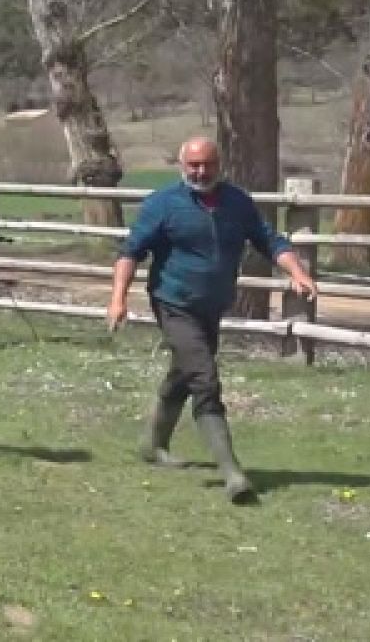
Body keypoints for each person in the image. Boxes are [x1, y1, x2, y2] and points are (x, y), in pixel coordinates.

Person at [106, 135, 318, 503]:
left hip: (212, 305)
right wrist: (117, 299)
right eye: (194, 165)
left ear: (220, 165)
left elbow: (272, 241)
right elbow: (130, 253)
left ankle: (152, 445)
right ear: (181, 165)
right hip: (173, 303)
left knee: (185, 372)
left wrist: (297, 273)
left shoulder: (237, 203)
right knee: (204, 378)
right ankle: (232, 472)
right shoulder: (163, 205)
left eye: (208, 165)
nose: (201, 172)